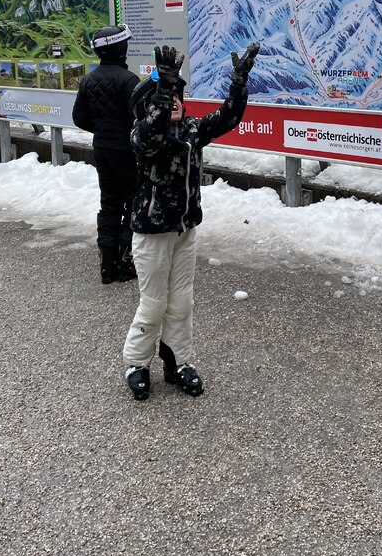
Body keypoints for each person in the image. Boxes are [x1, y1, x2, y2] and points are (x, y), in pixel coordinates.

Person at [122, 41, 260, 401]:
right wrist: (164, 86)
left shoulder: (192, 131)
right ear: (150, 105)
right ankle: (137, 364)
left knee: (182, 301)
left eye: (178, 96)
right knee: (154, 302)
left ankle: (177, 361)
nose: (175, 102)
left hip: (184, 231)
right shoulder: (142, 135)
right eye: (166, 98)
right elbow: (150, 139)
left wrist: (238, 83)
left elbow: (228, 117)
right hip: (152, 232)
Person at [72, 25, 140, 283]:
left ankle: (106, 265)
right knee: (133, 201)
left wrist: (102, 129)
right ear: (121, 49)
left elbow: (79, 118)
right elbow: (139, 118)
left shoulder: (88, 81)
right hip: (127, 151)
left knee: (109, 203)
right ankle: (125, 263)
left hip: (102, 148)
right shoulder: (129, 80)